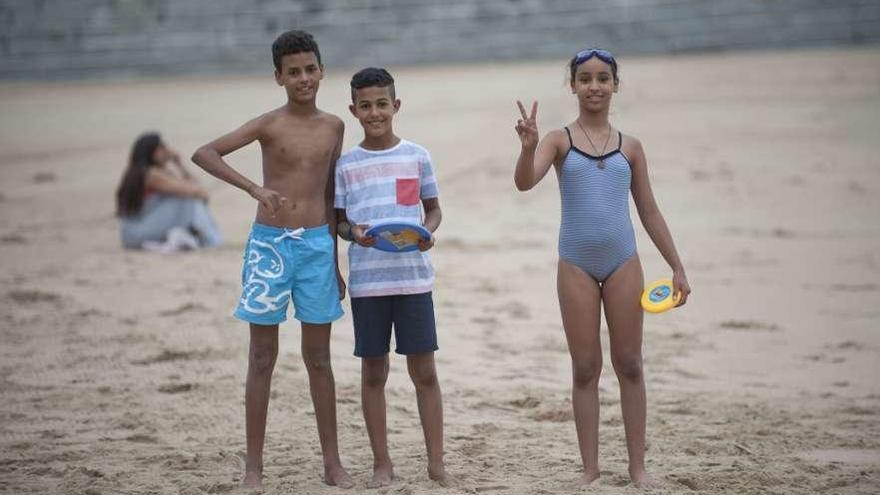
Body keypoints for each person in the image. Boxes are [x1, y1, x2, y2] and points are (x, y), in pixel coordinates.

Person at [513, 48, 691, 488]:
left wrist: (677, 266)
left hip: (624, 262)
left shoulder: (630, 147)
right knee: (584, 368)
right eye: (585, 78)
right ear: (572, 86)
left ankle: (637, 468)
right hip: (575, 264)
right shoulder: (558, 140)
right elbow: (523, 182)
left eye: (603, 78)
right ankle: (590, 469)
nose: (594, 86)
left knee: (630, 363)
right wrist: (529, 146)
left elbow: (649, 211)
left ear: (615, 85)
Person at [190, 30, 352, 489]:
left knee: (319, 358)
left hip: (318, 248)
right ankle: (253, 469)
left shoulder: (335, 126)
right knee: (262, 357)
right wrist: (254, 188)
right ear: (279, 77)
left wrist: (335, 261)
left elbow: (330, 193)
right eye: (294, 72)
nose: (304, 79)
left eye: (310, 70)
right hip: (270, 247)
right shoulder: (268, 124)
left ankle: (332, 464)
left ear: (322, 70)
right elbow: (205, 153)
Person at [334, 67, 450, 487]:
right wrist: (355, 234)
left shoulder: (417, 155)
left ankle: (436, 462)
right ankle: (382, 463)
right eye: (365, 106)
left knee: (425, 373)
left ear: (395, 106)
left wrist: (428, 233)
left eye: (382, 104)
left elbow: (432, 210)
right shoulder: (347, 165)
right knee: (373, 374)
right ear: (354, 110)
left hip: (414, 281)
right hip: (369, 284)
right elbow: (342, 223)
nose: (375, 112)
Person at [115, 132, 221, 251]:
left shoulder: (144, 172)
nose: (166, 151)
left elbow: (195, 189)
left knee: (187, 198)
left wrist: (179, 165)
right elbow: (195, 190)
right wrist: (178, 163)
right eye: (162, 147)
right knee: (187, 199)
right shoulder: (151, 175)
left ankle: (205, 238)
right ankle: (210, 240)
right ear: (152, 152)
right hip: (137, 233)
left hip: (133, 232)